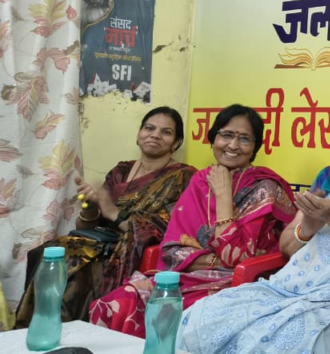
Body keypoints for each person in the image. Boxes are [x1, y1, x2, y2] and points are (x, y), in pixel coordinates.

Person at [175, 100, 330, 354]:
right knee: (206, 315)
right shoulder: (329, 176)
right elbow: (287, 247)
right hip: (292, 285)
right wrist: (308, 226)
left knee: (284, 339)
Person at [89, 104, 297, 337]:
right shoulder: (200, 180)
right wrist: (214, 259)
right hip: (186, 278)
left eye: (244, 139)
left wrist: (223, 195)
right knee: (113, 304)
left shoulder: (264, 187)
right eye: (226, 135)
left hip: (237, 284)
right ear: (214, 139)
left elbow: (235, 258)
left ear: (255, 147)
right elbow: (171, 249)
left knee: (177, 316)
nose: (233, 145)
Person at [15, 107, 195, 326]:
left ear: (176, 143)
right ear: (139, 135)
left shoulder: (184, 177)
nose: (155, 135)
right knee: (50, 254)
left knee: (73, 267)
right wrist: (90, 207)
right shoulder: (121, 171)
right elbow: (88, 227)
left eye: (166, 132)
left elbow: (166, 229)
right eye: (149, 128)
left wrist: (113, 213)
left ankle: (68, 332)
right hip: (98, 244)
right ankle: (36, 329)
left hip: (130, 251)